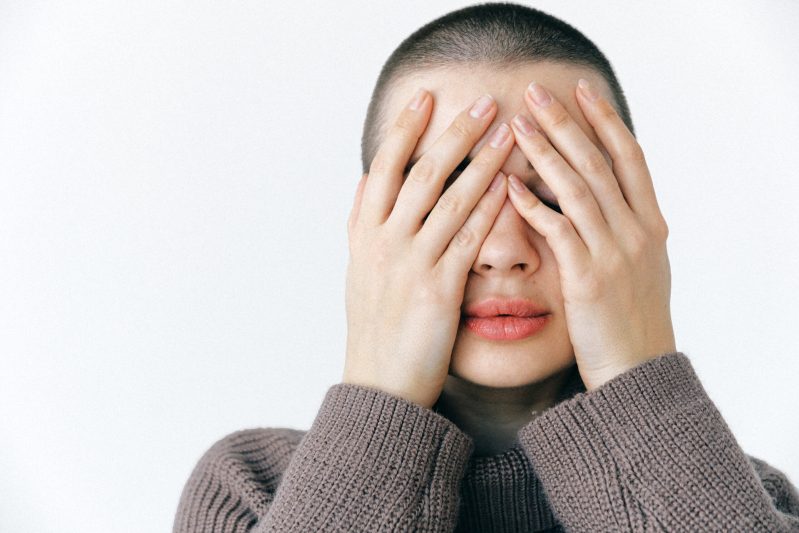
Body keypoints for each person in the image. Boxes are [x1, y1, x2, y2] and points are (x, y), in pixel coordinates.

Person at [172, 3, 799, 532]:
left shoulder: (749, 500)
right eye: (451, 199)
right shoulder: (251, 489)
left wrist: (636, 370)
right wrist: (380, 392)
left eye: (555, 197)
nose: (503, 250)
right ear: (372, 234)